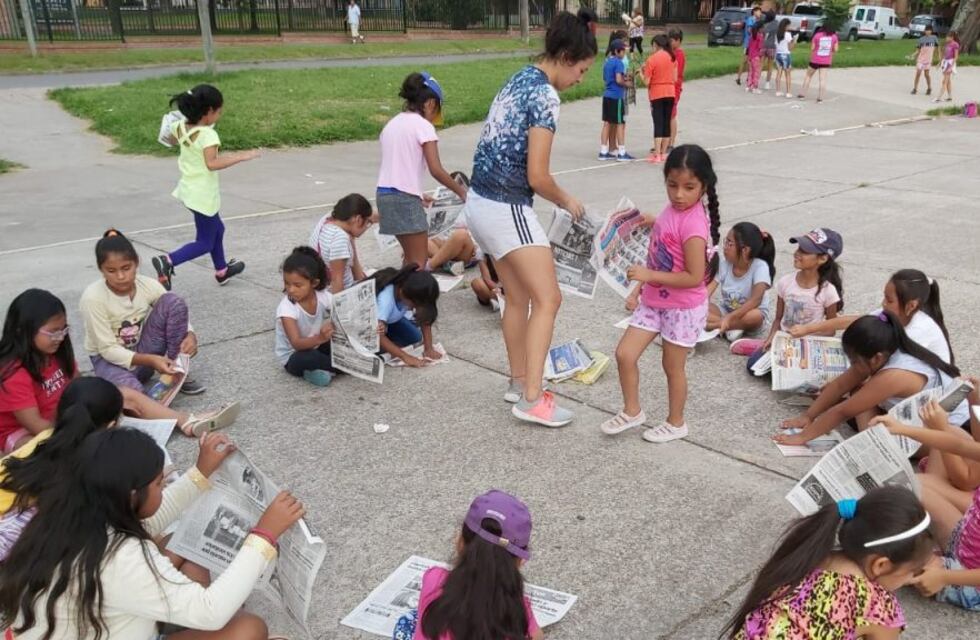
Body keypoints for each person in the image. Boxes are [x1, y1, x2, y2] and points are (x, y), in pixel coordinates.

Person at [0, 427, 305, 640]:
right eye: (160, 484)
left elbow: (153, 518)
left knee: (187, 551)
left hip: (103, 625)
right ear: (132, 494)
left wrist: (200, 474)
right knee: (249, 629)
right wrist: (264, 535)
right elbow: (210, 613)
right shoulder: (118, 556)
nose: (163, 489)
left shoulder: (72, 515)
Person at [463, 9, 596, 427]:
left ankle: (519, 381)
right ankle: (533, 398)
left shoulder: (521, 76)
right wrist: (567, 201)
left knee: (518, 298)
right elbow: (538, 177)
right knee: (549, 299)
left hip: (479, 203)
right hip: (506, 206)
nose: (581, 79)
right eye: (582, 69)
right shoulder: (546, 96)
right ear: (567, 55)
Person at [602, 145, 720, 443]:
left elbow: (694, 277)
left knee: (672, 366)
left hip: (682, 307)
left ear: (703, 187)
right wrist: (656, 222)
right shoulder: (674, 210)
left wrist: (648, 276)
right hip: (655, 301)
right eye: (672, 185)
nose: (679, 194)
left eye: (689, 187)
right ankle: (632, 411)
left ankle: (676, 422)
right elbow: (668, 240)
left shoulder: (694, 224)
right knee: (624, 354)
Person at [80, 230, 239, 437]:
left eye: (126, 268)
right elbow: (107, 349)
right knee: (132, 398)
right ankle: (184, 420)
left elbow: (175, 311)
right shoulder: (93, 298)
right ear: (101, 269)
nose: (120, 276)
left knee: (173, 302)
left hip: (145, 355)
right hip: (110, 362)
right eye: (111, 270)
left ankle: (174, 371)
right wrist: (152, 360)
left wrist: (190, 335)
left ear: (136, 263)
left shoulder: (147, 285)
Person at [722, 486, 933, 639]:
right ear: (881, 565)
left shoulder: (807, 557)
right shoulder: (878, 606)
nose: (912, 578)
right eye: (913, 571)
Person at [773, 310, 967, 446]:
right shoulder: (881, 350)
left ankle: (874, 444)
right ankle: (870, 440)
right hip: (916, 416)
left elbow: (843, 411)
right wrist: (808, 416)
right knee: (858, 390)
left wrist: (803, 437)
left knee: (859, 399)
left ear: (877, 358)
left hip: (953, 429)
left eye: (855, 361)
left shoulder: (894, 375)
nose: (853, 366)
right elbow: (841, 384)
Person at [391, 489, 542, 640]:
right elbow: (537, 637)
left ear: (460, 542)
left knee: (408, 621)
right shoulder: (518, 606)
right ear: (520, 561)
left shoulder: (433, 578)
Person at [152, 84, 259, 291]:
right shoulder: (208, 136)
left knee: (218, 229)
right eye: (219, 111)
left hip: (190, 190)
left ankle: (222, 270)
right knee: (205, 242)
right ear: (208, 112)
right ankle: (168, 260)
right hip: (202, 195)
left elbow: (171, 140)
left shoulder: (180, 126)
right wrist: (242, 156)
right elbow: (212, 163)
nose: (219, 115)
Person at [875, 403, 980, 610]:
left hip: (969, 582)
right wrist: (900, 428)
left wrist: (944, 576)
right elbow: (958, 445)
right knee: (908, 488)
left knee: (891, 564)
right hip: (965, 538)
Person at [377, 72, 468, 270]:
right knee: (419, 263)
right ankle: (415, 301)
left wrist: (418, 194)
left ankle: (400, 300)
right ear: (430, 104)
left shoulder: (391, 125)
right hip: (405, 199)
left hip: (384, 197)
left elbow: (397, 169)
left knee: (409, 261)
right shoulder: (423, 127)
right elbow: (436, 169)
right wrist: (461, 191)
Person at [790, 269, 953, 366]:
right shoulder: (893, 314)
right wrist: (808, 329)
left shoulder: (919, 330)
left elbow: (889, 368)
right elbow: (853, 320)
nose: (883, 304)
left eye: (889, 300)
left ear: (910, 306)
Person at [747, 228, 843, 366]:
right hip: (784, 341)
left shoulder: (828, 291)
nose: (797, 253)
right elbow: (778, 319)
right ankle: (761, 346)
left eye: (804, 251)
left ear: (822, 258)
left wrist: (807, 337)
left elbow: (831, 329)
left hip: (809, 345)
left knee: (803, 367)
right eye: (798, 248)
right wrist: (771, 337)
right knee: (753, 365)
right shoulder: (785, 282)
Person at [0, 289, 74, 454]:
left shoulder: (57, 353)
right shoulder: (14, 374)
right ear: (22, 330)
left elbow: (79, 386)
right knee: (46, 451)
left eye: (63, 330)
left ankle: (147, 429)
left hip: (58, 418)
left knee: (123, 394)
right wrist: (76, 433)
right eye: (53, 332)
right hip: (22, 432)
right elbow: (35, 425)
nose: (60, 338)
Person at [275, 246, 338, 387]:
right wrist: (320, 338)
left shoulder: (322, 296)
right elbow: (296, 343)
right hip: (294, 356)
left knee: (338, 341)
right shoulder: (286, 308)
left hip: (316, 345)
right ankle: (340, 367)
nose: (291, 289)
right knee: (308, 357)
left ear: (314, 283)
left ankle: (328, 368)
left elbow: (342, 309)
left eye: (297, 285)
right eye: (287, 283)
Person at [706, 222, 775, 344]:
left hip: (748, 313)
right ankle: (730, 327)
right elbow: (707, 292)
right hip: (727, 310)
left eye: (729, 243)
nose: (725, 247)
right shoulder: (724, 264)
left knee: (755, 316)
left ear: (745, 250)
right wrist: (696, 306)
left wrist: (730, 318)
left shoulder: (760, 267)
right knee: (700, 308)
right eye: (725, 242)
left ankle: (716, 326)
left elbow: (755, 300)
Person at [371, 265, 441, 368]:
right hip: (371, 327)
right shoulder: (386, 301)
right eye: (415, 305)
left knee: (414, 337)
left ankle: (391, 345)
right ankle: (385, 348)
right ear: (402, 293)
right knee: (376, 346)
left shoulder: (407, 287)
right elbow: (377, 334)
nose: (414, 308)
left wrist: (428, 347)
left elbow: (425, 316)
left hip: (390, 322)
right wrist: (405, 357)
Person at [309, 193, 373, 293]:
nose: (367, 227)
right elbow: (337, 281)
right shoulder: (339, 239)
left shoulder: (327, 221)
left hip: (323, 286)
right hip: (344, 291)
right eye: (368, 222)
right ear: (358, 220)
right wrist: (341, 307)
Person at [642, 34, 676, 163]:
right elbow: (674, 77)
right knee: (666, 121)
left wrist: (641, 73)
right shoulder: (672, 58)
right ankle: (663, 152)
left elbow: (646, 82)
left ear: (656, 45)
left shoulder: (652, 59)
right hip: (670, 92)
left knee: (658, 122)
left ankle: (656, 153)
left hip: (657, 93)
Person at [599, 39, 634, 162]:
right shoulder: (619, 63)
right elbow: (619, 80)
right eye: (622, 50)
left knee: (607, 122)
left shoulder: (607, 62)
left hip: (607, 95)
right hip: (616, 96)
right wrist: (627, 83)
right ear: (616, 51)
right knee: (620, 123)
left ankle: (603, 151)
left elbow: (605, 78)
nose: (624, 52)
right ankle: (621, 152)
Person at [798, 24, 838, 103]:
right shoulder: (834, 37)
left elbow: (812, 48)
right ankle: (820, 98)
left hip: (815, 59)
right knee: (822, 79)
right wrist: (830, 50)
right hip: (826, 60)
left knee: (808, 76)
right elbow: (836, 49)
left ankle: (802, 94)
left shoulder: (817, 35)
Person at [736, 5, 763, 86]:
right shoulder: (751, 19)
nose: (760, 13)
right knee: (744, 60)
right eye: (759, 11)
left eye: (760, 12)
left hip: (753, 45)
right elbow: (749, 30)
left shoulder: (757, 20)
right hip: (748, 44)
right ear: (754, 12)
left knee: (750, 62)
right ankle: (738, 77)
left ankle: (749, 78)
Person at [667, 28, 685, 151]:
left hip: (674, 88)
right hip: (667, 87)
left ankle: (671, 143)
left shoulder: (679, 54)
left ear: (678, 41)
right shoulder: (669, 52)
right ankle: (664, 141)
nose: (670, 43)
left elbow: (676, 73)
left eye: (672, 40)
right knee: (666, 115)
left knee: (671, 116)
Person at [912, 24, 940, 95]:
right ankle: (915, 88)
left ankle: (929, 88)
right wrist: (913, 55)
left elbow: (938, 48)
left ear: (931, 31)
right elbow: (918, 50)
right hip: (921, 59)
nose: (928, 31)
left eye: (929, 30)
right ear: (924, 31)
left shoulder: (934, 38)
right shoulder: (921, 39)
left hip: (928, 60)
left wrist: (939, 56)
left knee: (926, 74)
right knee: (918, 73)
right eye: (926, 30)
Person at [773, 18, 796, 98]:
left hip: (778, 54)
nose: (789, 27)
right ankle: (788, 92)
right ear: (786, 25)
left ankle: (778, 91)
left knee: (779, 72)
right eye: (789, 25)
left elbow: (776, 45)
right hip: (786, 55)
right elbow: (790, 48)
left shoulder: (777, 34)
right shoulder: (788, 35)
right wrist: (794, 41)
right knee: (788, 74)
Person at [936, 30, 960, 102]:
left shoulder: (955, 44)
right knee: (948, 81)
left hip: (950, 63)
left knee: (944, 81)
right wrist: (939, 63)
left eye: (948, 37)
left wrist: (951, 67)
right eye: (946, 37)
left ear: (952, 37)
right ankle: (950, 96)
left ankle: (939, 97)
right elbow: (944, 55)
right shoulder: (947, 44)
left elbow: (956, 57)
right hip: (945, 63)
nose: (946, 38)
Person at [745, 23, 765, 94]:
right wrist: (761, 56)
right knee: (756, 72)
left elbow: (749, 47)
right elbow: (760, 48)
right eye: (763, 28)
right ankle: (755, 87)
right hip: (756, 56)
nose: (763, 29)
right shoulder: (760, 36)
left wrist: (748, 57)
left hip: (750, 56)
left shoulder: (751, 36)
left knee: (751, 71)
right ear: (759, 29)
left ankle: (748, 86)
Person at [761, 11, 778, 91]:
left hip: (764, 45)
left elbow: (762, 33)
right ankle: (767, 83)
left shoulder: (765, 24)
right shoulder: (776, 24)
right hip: (772, 46)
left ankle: (755, 80)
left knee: (761, 64)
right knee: (770, 66)